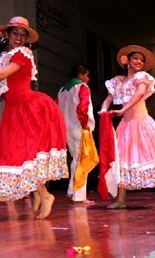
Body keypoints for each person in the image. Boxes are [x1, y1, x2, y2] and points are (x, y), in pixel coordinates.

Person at [0, 16, 68, 219]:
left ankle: (45, 196)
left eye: (22, 34)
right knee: (25, 154)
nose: (18, 37)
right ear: (7, 35)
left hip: (30, 109)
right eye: (15, 33)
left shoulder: (23, 54)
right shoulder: (5, 57)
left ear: (27, 39)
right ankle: (37, 194)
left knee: (26, 153)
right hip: (15, 111)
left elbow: (1, 75)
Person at [99, 45, 155, 208]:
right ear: (127, 60)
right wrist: (103, 110)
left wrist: (123, 109)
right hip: (126, 125)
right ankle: (121, 200)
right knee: (122, 160)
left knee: (146, 157)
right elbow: (108, 98)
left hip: (141, 124)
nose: (139, 61)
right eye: (136, 58)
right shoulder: (118, 81)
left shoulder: (141, 77)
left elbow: (139, 94)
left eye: (142, 59)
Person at [57, 64, 96, 204]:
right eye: (87, 75)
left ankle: (72, 190)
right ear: (81, 75)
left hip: (66, 129)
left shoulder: (62, 90)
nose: (88, 78)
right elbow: (83, 107)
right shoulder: (82, 87)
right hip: (79, 126)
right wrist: (85, 124)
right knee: (82, 160)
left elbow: (57, 110)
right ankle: (79, 196)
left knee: (76, 159)